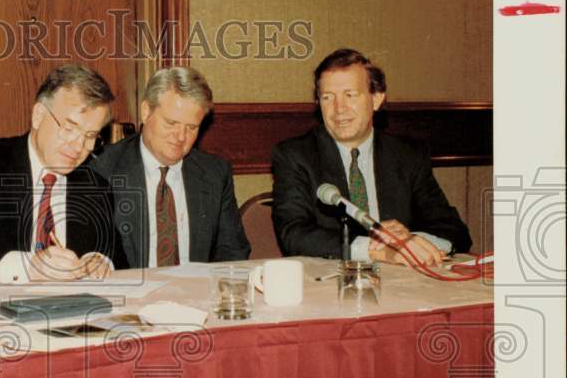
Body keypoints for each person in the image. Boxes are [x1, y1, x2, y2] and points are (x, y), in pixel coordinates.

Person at [0, 64, 126, 283]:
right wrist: (27, 267)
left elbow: (120, 262)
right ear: (38, 115)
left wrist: (100, 260)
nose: (78, 146)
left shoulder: (96, 186)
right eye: (69, 128)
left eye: (90, 135)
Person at [271, 48, 471, 264]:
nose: (339, 109)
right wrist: (377, 250)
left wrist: (411, 242)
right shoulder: (295, 156)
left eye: (350, 95)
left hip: (403, 284)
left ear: (376, 99)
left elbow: (453, 229)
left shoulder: (408, 155)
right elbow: (294, 235)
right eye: (327, 97)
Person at [90, 66, 250, 266]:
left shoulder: (215, 173)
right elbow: (95, 255)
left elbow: (233, 251)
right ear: (146, 111)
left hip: (197, 292)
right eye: (171, 123)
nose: (181, 137)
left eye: (191, 127)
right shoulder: (104, 170)